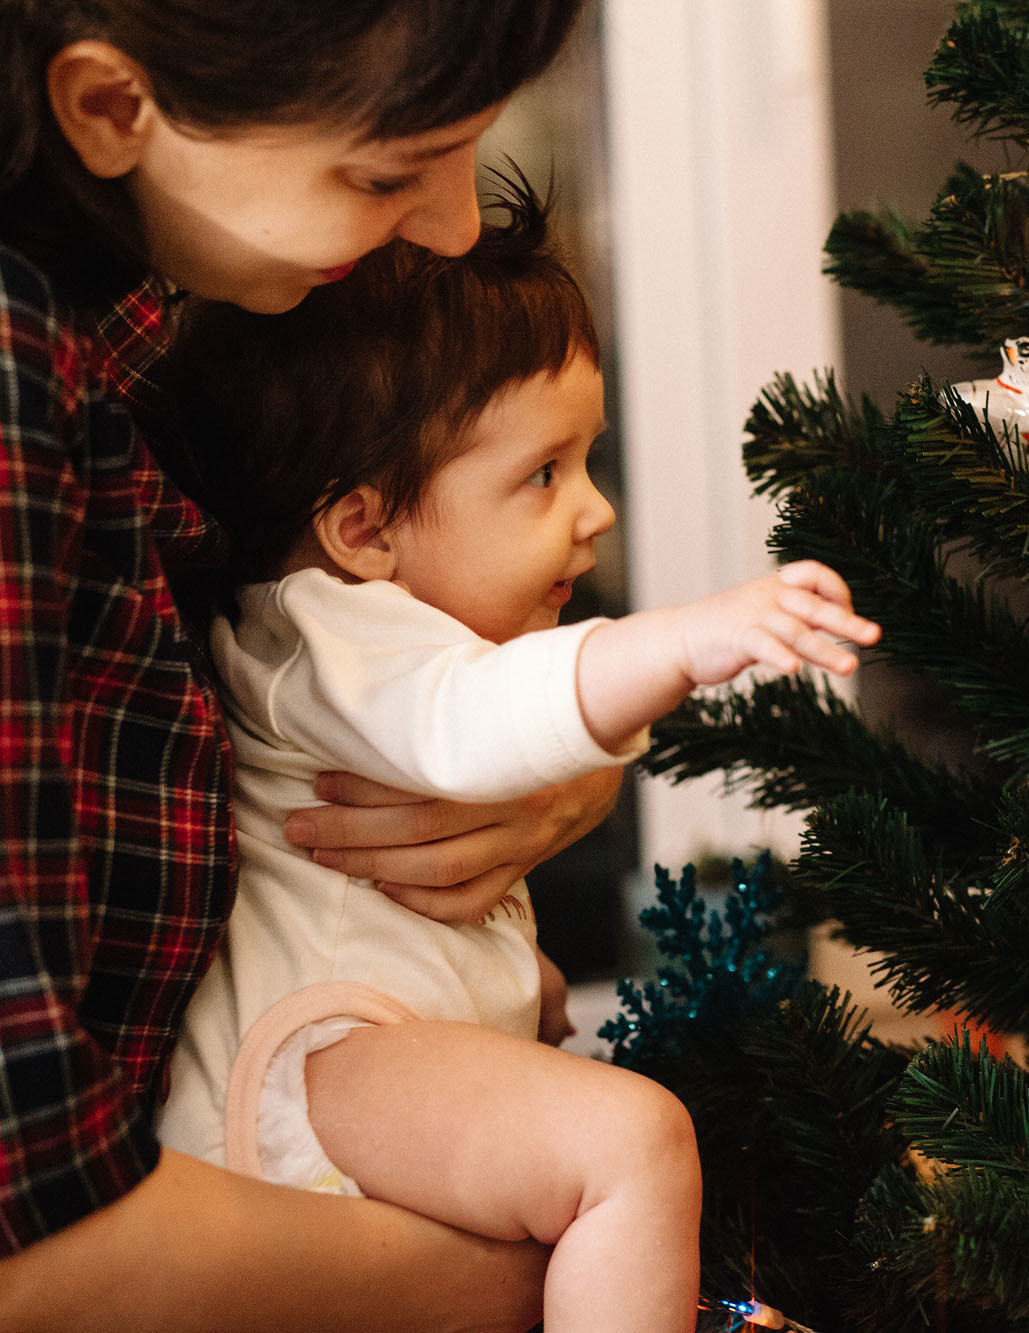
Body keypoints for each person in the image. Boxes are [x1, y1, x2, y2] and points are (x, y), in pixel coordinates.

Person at [152, 174, 878, 1333]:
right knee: (629, 1141)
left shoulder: (353, 628)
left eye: (586, 462)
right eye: (541, 474)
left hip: (352, 1060)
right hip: (325, 1070)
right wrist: (682, 642)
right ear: (366, 529)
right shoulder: (325, 623)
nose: (591, 512)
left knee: (555, 1039)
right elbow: (474, 718)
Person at [0, 4, 633, 1328]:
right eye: (386, 172)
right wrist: (540, 1264)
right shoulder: (20, 380)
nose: (456, 229)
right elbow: (30, 1229)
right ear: (111, 109)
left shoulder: (161, 317)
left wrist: (544, 773)